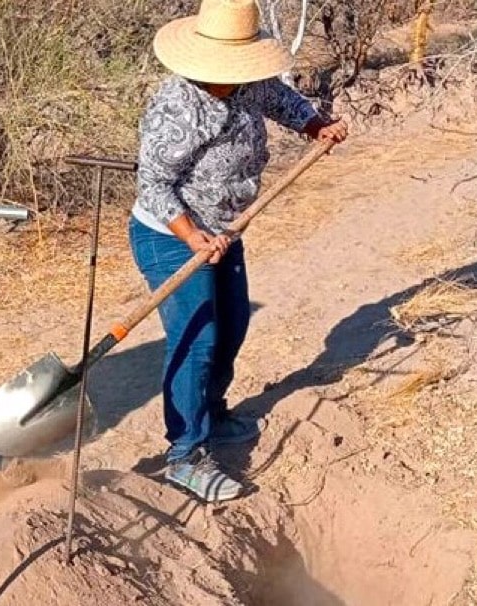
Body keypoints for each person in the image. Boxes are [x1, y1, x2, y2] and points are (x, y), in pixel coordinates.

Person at [130, 0, 348, 502]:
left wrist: (315, 125)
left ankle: (213, 412)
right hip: (170, 236)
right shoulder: (176, 108)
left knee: (232, 327)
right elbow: (154, 185)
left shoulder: (251, 83)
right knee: (198, 339)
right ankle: (185, 454)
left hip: (226, 230)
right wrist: (191, 237)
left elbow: (283, 101)